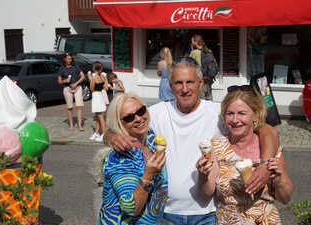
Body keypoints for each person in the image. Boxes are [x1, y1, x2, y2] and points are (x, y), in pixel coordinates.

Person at [105, 57, 279, 225]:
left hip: (208, 212)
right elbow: (121, 126)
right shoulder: (156, 113)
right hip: (165, 212)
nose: (185, 88)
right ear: (171, 86)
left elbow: (267, 130)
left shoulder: (218, 112)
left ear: (201, 83)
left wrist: (264, 164)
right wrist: (111, 136)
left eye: (190, 82)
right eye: (178, 83)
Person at [196, 85, 293, 224]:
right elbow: (206, 193)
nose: (235, 120)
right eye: (230, 114)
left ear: (255, 114)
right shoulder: (217, 147)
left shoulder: (270, 149)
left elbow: (285, 198)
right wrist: (203, 176)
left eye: (242, 113)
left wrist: (278, 180)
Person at [98, 93, 168, 224]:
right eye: (129, 117)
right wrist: (147, 177)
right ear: (119, 122)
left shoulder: (151, 139)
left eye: (141, 111)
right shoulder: (119, 157)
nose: (138, 118)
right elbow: (131, 208)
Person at [57, 53, 85, 131]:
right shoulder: (62, 69)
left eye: (71, 59)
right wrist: (65, 80)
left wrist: (76, 83)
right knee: (70, 107)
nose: (70, 60)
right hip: (67, 88)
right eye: (68, 59)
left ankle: (80, 125)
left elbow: (83, 76)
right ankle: (71, 125)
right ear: (64, 59)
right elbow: (59, 81)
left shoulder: (76, 67)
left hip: (77, 88)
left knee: (79, 106)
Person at [88, 62, 109, 142]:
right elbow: (106, 87)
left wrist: (91, 79)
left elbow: (92, 89)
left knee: (100, 117)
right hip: (100, 95)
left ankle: (104, 134)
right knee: (98, 116)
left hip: (96, 96)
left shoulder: (93, 78)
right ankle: (96, 133)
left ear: (94, 68)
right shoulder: (103, 76)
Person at [190, 34, 215, 100]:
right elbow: (215, 64)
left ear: (195, 42)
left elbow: (189, 65)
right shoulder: (209, 51)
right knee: (209, 99)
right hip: (209, 80)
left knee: (201, 101)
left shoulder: (194, 52)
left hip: (200, 80)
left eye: (192, 41)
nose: (191, 43)